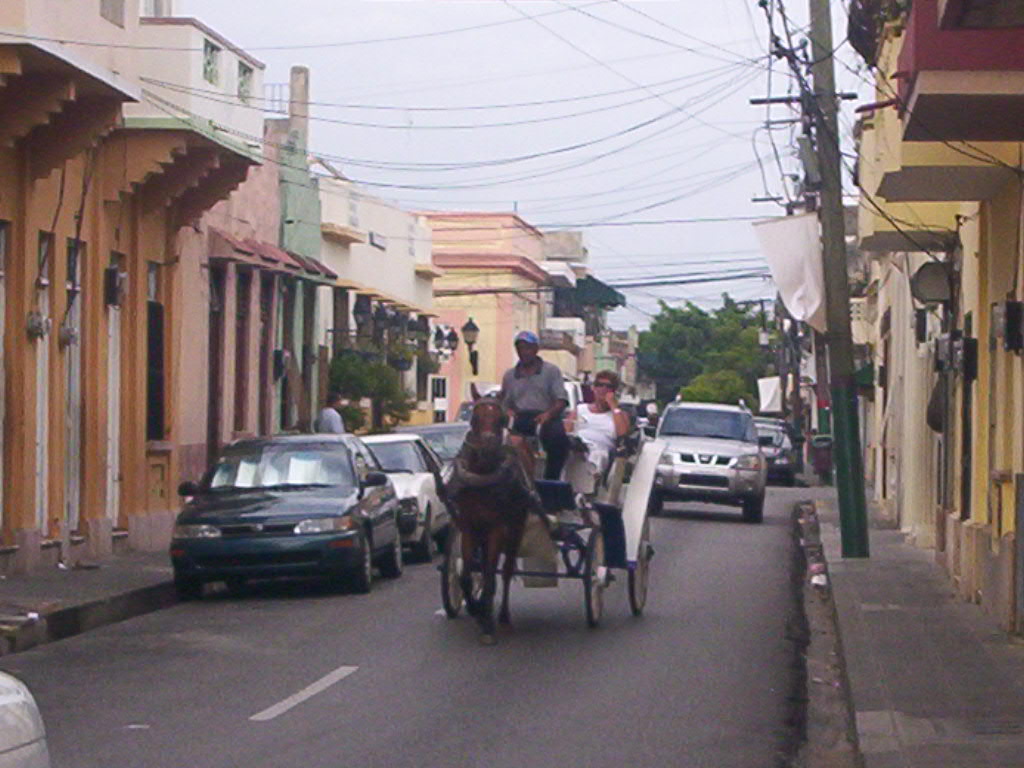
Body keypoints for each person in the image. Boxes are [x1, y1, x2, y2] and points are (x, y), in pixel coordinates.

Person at [499, 330, 570, 480]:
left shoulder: (551, 371)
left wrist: (548, 414)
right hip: (520, 418)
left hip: (545, 417)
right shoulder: (510, 375)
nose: (523, 352)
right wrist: (508, 411)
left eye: (527, 348)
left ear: (536, 349)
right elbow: (504, 401)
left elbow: (561, 400)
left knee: (559, 440)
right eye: (520, 349)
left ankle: (552, 478)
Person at [565, 370, 629, 482]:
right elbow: (567, 431)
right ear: (593, 388)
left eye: (608, 386)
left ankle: (592, 482)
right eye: (599, 385)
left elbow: (622, 434)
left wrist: (613, 405)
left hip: (601, 449)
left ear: (613, 391)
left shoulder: (619, 414)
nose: (603, 389)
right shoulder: (580, 409)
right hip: (579, 446)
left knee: (598, 455)